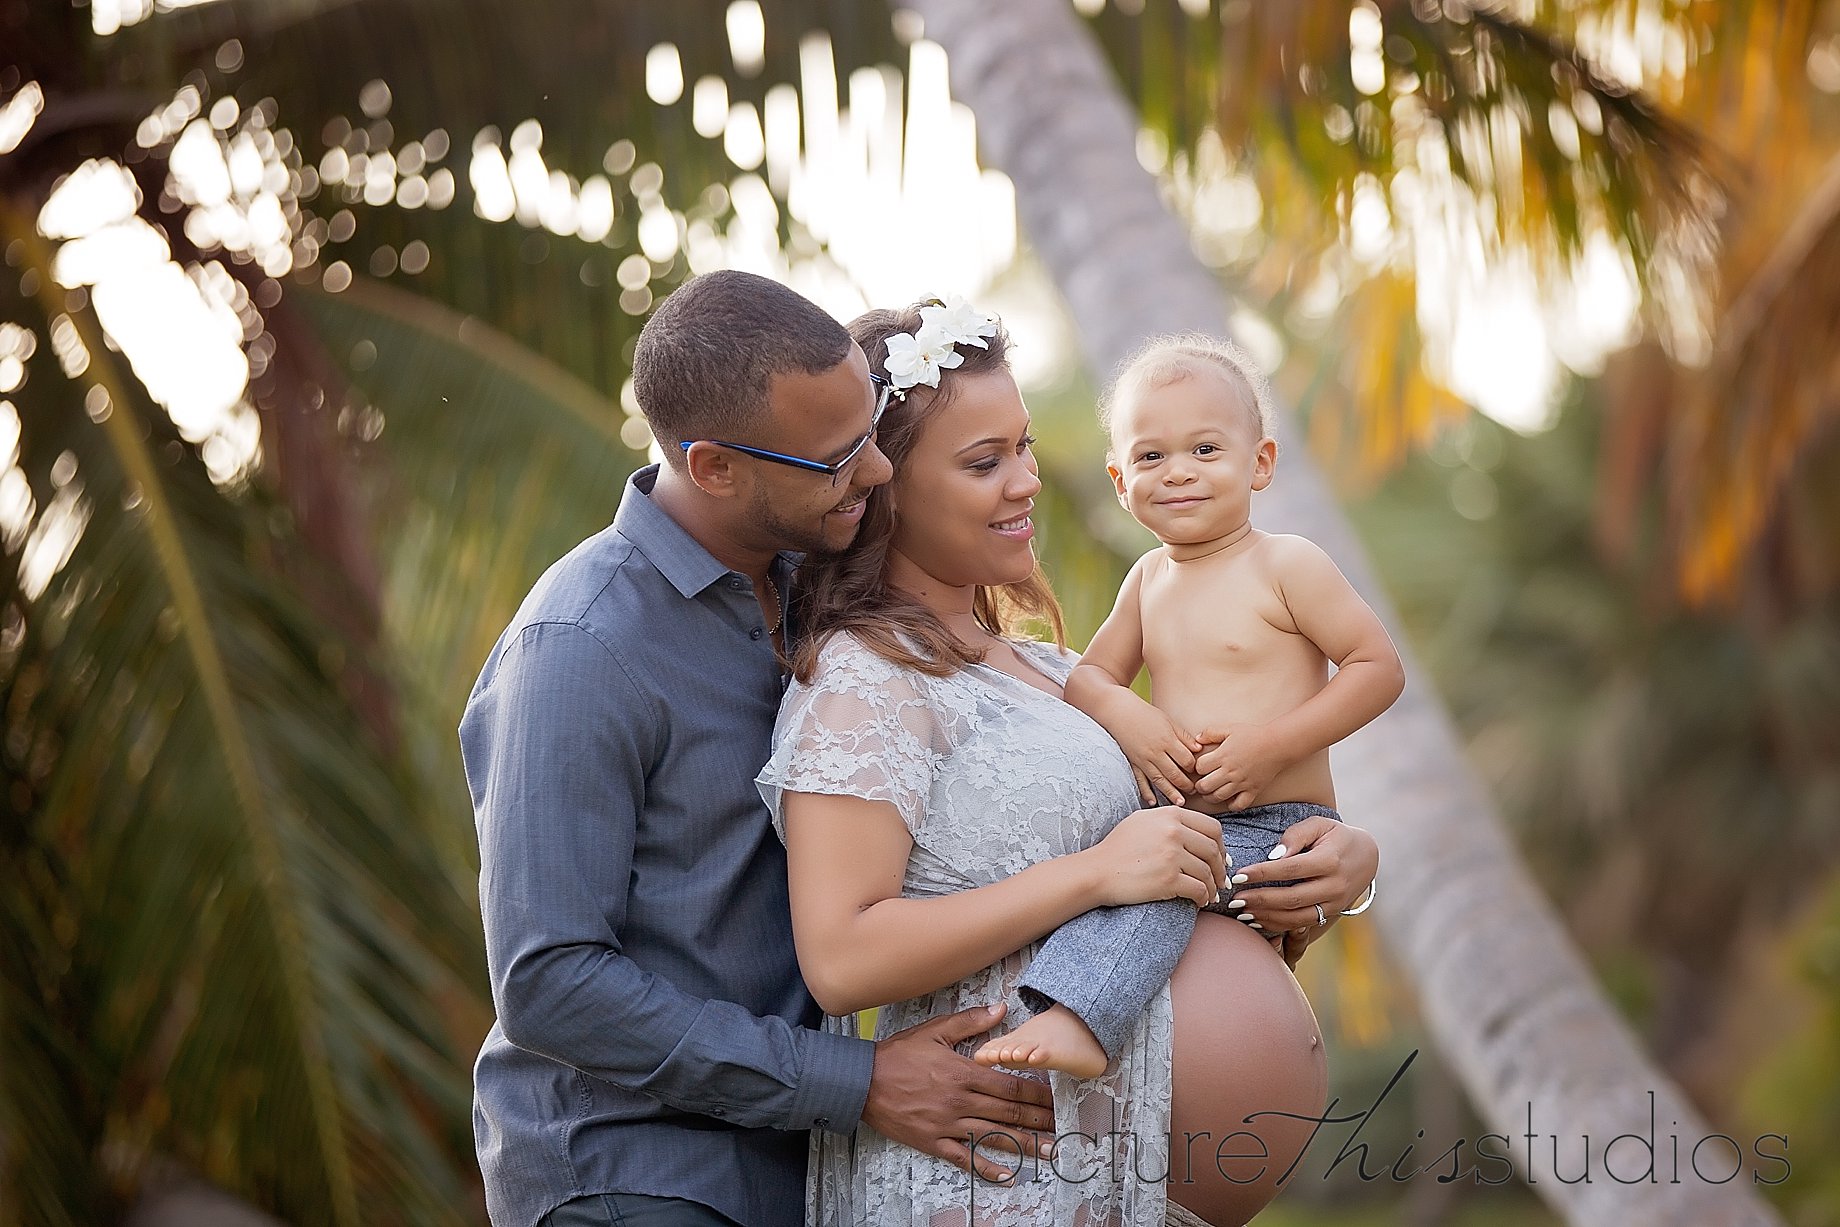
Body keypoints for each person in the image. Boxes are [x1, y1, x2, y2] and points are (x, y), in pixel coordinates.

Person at [462, 271, 1116, 1227]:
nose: (879, 471)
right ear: (716, 466)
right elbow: (549, 981)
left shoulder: (821, 584)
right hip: (631, 1179)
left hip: (800, 1173)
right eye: (840, 455)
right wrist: (855, 1082)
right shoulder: (582, 646)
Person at [758, 300, 1382, 1226]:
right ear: (888, 485)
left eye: (1024, 447)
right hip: (1003, 1178)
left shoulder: (1062, 673)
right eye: (983, 462)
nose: (1024, 484)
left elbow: (1180, 880)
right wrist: (1094, 872)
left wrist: (1332, 874)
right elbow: (841, 960)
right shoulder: (865, 678)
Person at [977, 334, 1405, 1080]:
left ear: (1259, 463)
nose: (1177, 472)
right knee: (1138, 870)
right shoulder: (1147, 580)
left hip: (1280, 828)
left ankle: (1081, 1019)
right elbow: (1090, 680)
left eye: (1205, 450)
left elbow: (1378, 668)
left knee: (1161, 876)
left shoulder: (1285, 564)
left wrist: (1273, 745)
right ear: (1119, 479)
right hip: (1194, 828)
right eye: (1150, 457)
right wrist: (1135, 719)